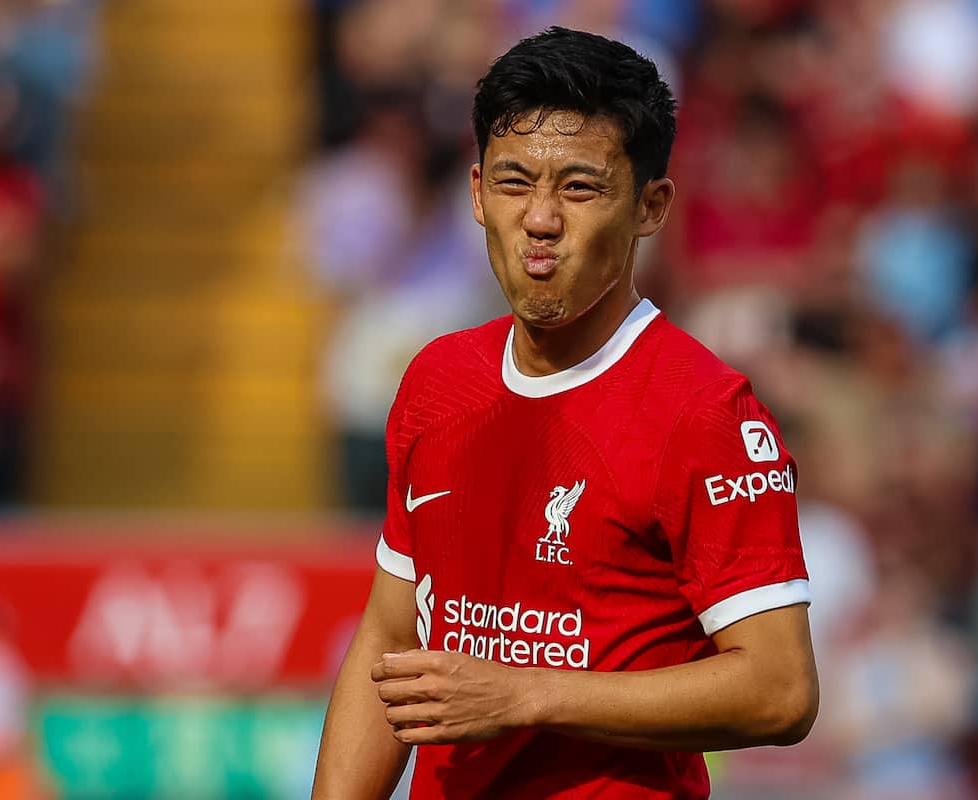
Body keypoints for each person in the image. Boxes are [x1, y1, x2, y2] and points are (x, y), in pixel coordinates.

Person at [311, 27, 819, 800]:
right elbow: (392, 639)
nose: (541, 219)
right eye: (516, 183)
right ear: (478, 193)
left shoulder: (705, 412)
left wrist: (526, 695)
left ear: (651, 206)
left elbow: (781, 690)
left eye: (580, 188)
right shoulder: (436, 381)